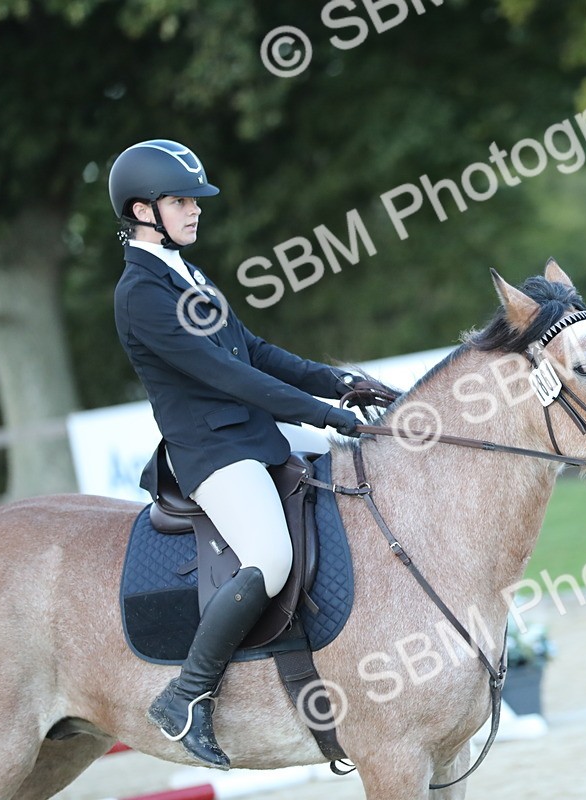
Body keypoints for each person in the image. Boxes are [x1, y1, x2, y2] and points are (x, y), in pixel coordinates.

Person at [109, 139, 373, 769]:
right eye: (179, 201)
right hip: (212, 452)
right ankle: (186, 696)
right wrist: (328, 417)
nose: (194, 211)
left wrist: (343, 384)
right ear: (143, 210)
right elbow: (229, 379)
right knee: (271, 556)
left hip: (251, 437)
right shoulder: (139, 294)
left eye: (194, 200)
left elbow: (254, 353)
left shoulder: (185, 272)